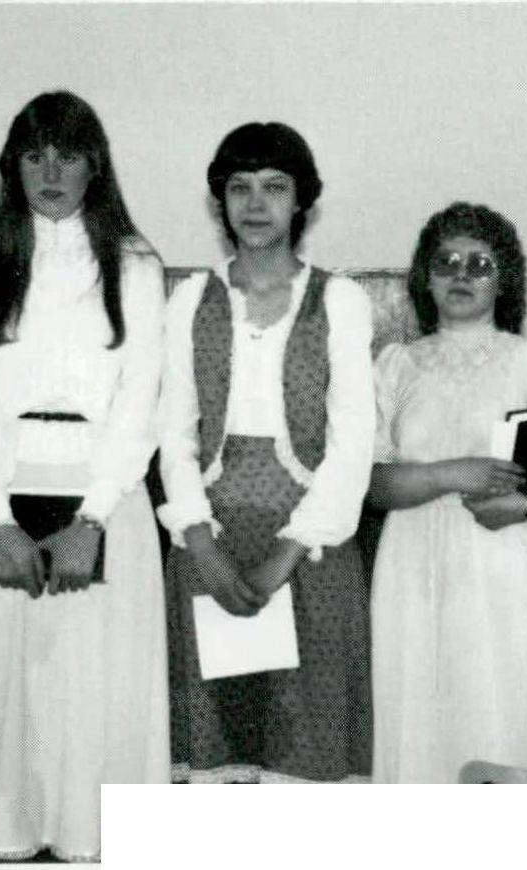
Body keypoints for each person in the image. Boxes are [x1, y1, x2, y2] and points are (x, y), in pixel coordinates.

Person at [0, 91, 168, 863]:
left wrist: (92, 520)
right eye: (34, 156)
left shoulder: (136, 266)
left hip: (105, 494)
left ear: (96, 166)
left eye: (68, 155)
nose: (51, 172)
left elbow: (141, 399)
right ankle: (12, 831)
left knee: (91, 684)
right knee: (11, 683)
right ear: (13, 167)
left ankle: (89, 837)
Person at [367, 202, 527, 783]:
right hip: (416, 569)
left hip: (511, 564)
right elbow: (372, 483)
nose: (461, 274)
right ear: (426, 278)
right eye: (446, 262)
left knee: (511, 712)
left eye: (479, 264)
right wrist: (452, 473)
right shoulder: (396, 365)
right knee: (427, 719)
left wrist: (523, 505)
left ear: (504, 280)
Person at [157, 122, 374, 783]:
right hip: (211, 542)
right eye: (240, 188)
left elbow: (353, 441)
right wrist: (201, 544)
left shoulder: (340, 300)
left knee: (302, 747)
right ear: (220, 200)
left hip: (309, 545)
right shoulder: (191, 298)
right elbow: (174, 431)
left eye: (274, 187)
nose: (255, 204)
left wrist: (289, 551)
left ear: (301, 199)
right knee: (221, 741)